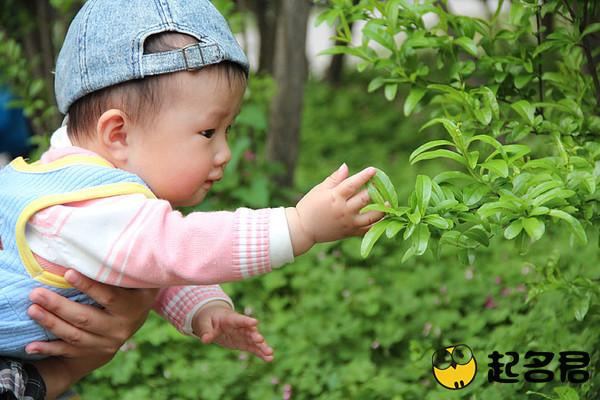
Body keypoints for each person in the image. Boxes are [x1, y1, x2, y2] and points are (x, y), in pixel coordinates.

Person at [0, 0, 382, 378]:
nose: (225, 153)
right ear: (118, 134)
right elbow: (173, 247)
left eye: (227, 130)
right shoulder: (85, 208)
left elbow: (144, 264)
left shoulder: (66, 179)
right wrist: (299, 226)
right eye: (208, 132)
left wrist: (203, 309)